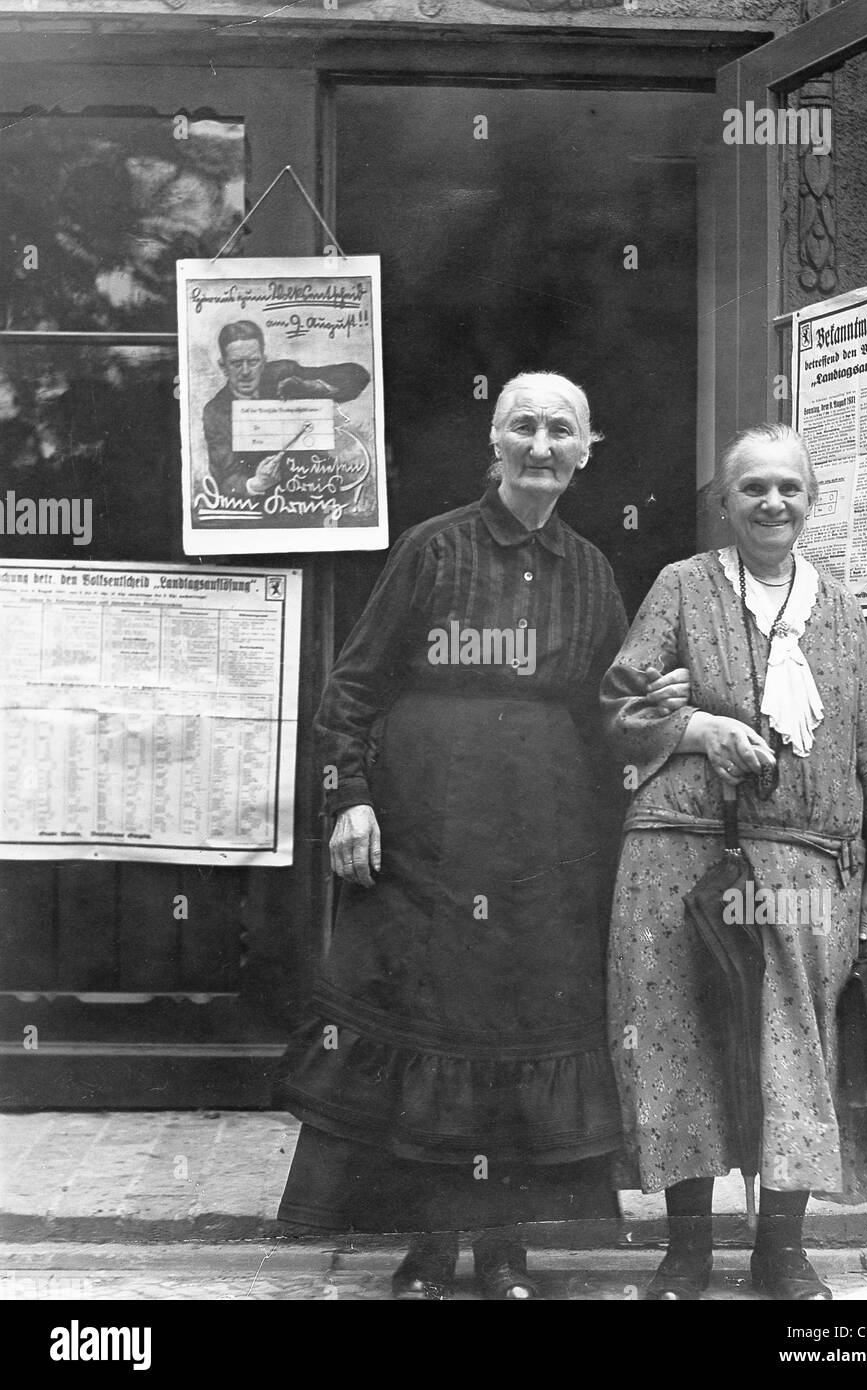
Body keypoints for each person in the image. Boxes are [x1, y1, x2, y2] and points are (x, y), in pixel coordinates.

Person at [273, 372, 689, 1299]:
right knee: (432, 1034)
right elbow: (353, 688)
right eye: (525, 428)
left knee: (518, 1038)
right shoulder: (432, 549)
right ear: (493, 444)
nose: (542, 446)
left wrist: (650, 711)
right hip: (425, 842)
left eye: (562, 432)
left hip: (546, 850)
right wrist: (348, 799)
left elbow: (608, 717)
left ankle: (505, 1251)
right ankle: (428, 1245)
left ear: (587, 452)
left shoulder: (591, 569)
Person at [601, 422, 867, 1302]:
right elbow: (617, 712)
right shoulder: (682, 587)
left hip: (808, 867)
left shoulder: (843, 608)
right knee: (681, 1044)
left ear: (810, 501)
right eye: (753, 489)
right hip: (679, 854)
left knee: (794, 1050)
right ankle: (687, 1253)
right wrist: (698, 729)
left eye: (788, 488)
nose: (772, 503)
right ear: (726, 504)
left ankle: (781, 1252)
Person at [201, 320, 371, 498]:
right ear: (223, 366)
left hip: (318, 485)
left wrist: (312, 386)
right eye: (236, 363)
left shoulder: (282, 374)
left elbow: (358, 376)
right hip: (271, 503)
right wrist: (257, 483)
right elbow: (226, 480)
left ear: (264, 361)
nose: (245, 371)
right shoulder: (216, 412)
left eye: (253, 362)